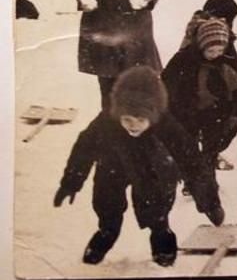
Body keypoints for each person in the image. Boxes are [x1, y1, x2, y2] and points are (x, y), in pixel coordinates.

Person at [53, 66, 225, 267]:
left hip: (153, 168)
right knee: (106, 198)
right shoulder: (107, 121)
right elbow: (84, 148)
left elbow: (192, 163)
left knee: (157, 204)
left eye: (140, 120)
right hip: (114, 162)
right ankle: (107, 232)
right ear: (118, 114)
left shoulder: (166, 125)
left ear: (152, 117)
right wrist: (71, 182)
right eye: (127, 119)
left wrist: (210, 203)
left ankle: (162, 236)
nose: (133, 125)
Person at [162, 18, 237, 180]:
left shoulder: (226, 63)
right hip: (187, 111)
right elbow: (167, 82)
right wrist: (167, 110)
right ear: (201, 45)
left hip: (215, 112)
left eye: (219, 51)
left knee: (212, 148)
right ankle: (191, 180)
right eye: (211, 51)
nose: (215, 55)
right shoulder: (183, 60)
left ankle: (207, 180)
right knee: (188, 147)